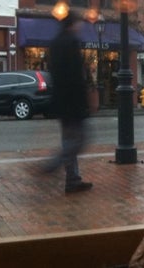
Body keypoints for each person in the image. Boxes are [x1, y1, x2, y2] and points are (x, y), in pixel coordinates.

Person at [43, 11, 93, 193]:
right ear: (73, 24)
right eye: (79, 23)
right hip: (73, 102)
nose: (81, 27)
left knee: (68, 139)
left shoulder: (55, 42)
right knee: (80, 140)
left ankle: (72, 179)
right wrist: (85, 102)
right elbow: (76, 76)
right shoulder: (71, 42)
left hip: (61, 101)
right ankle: (54, 164)